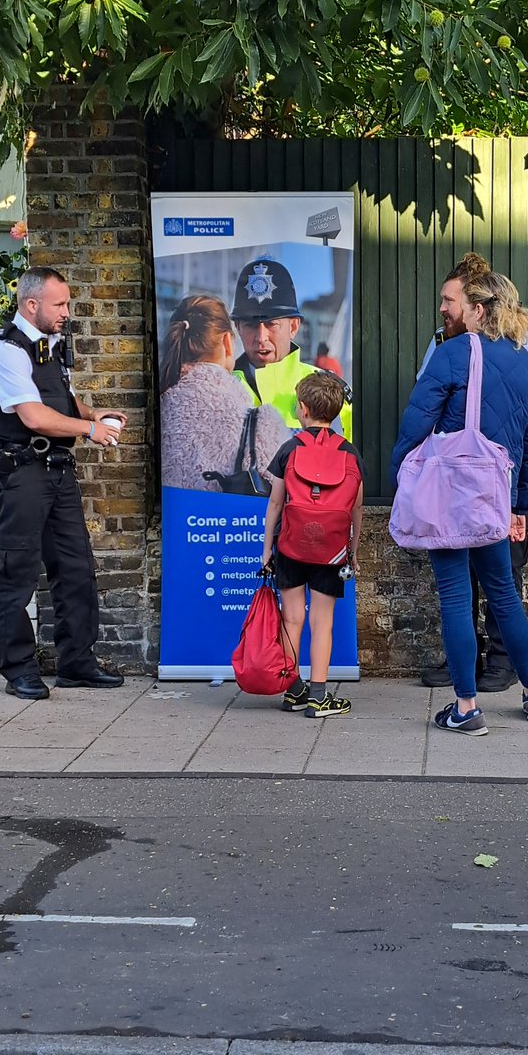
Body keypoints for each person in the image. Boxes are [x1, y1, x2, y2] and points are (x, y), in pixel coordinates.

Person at [391, 269, 528, 733]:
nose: (451, 311)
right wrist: (522, 506)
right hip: (496, 499)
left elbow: (415, 422)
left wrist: (401, 473)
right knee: (504, 594)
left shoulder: (452, 354)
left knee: (456, 598)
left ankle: (465, 707)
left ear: (479, 309)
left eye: (458, 304)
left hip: (450, 494)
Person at [0, 267, 128, 699]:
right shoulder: (5, 353)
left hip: (57, 471)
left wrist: (90, 414)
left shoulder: (52, 345)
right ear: (31, 305)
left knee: (76, 568)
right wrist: (89, 432)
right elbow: (33, 415)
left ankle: (76, 663)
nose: (67, 311)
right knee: (17, 571)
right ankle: (19, 670)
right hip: (21, 472)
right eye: (59, 304)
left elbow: (58, 399)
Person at [261, 372, 365, 718]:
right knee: (323, 622)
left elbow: (275, 504)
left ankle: (293, 691)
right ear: (335, 413)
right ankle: (319, 696)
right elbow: (355, 509)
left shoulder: (289, 448)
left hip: (291, 546)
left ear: (302, 409)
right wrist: (353, 550)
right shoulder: (350, 453)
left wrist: (266, 551)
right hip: (331, 550)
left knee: (292, 619)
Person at [159, 295, 290, 491]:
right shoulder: (260, 424)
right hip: (229, 522)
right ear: (227, 342)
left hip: (170, 520)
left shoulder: (158, 409)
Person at [231, 255, 352, 439]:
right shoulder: (218, 392)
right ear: (237, 327)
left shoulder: (333, 394)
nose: (261, 337)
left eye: (272, 324)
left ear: (294, 327)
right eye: (251, 324)